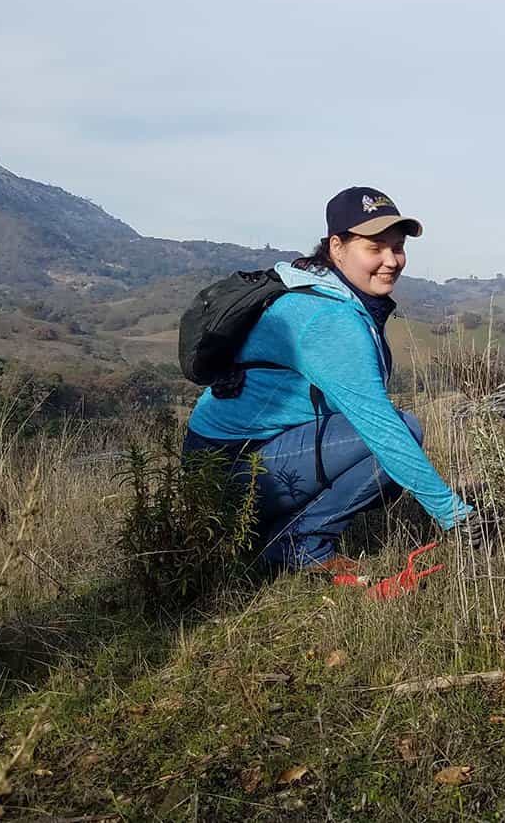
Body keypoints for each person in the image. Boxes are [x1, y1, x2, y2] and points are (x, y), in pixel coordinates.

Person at [182, 186, 473, 570]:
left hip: (225, 462)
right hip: (228, 474)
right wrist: (457, 518)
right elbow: (381, 429)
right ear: (337, 248)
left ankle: (288, 535)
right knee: (400, 431)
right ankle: (299, 546)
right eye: (375, 247)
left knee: (394, 434)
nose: (392, 260)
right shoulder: (328, 318)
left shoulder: (315, 285)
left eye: (398, 247)